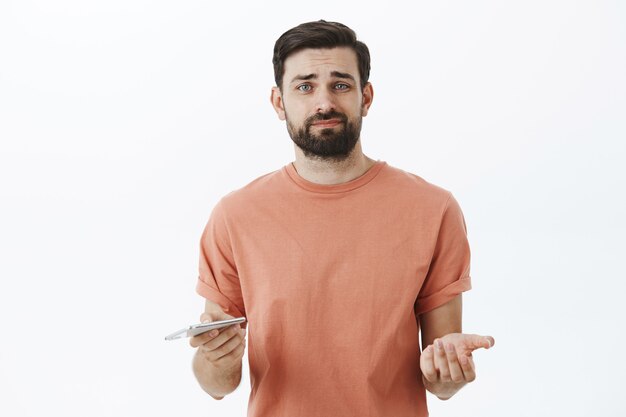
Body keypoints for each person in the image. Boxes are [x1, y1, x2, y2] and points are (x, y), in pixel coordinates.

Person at [189, 20, 495, 417]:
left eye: (340, 85)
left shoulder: (433, 210)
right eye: (304, 86)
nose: (324, 103)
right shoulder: (235, 216)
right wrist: (218, 360)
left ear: (365, 97)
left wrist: (449, 370)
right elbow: (217, 384)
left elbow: (440, 381)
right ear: (279, 103)